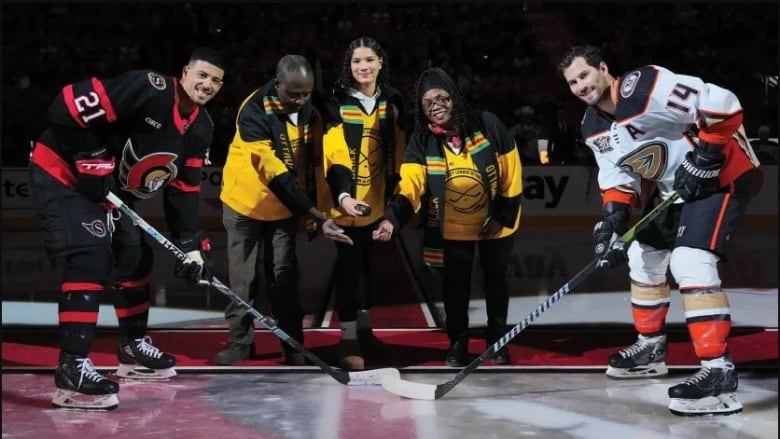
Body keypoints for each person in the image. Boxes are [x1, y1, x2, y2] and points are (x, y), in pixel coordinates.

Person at [558, 45, 759, 416]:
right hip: (673, 191)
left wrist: (706, 156)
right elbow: (618, 175)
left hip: (721, 177)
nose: (581, 85)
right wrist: (613, 222)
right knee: (641, 255)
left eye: (585, 75)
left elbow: (724, 104)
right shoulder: (592, 124)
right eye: (572, 82)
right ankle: (651, 348)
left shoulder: (643, 86)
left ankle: (719, 373)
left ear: (604, 69)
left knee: (690, 262)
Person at [28, 47, 227, 410]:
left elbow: (184, 193)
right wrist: (91, 159)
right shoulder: (148, 88)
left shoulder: (201, 128)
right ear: (184, 72)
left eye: (216, 80)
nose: (208, 84)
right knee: (89, 259)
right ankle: (71, 369)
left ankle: (133, 350)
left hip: (110, 191)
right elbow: (65, 104)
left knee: (135, 259)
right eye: (202, 75)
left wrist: (192, 246)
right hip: (61, 173)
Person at [374, 67, 523, 367]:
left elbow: (512, 170)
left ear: (453, 97)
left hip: (495, 223)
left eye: (441, 98)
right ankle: (458, 342)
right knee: (455, 288)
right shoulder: (421, 140)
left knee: (496, 282)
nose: (436, 106)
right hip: (452, 228)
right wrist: (392, 217)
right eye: (428, 103)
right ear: (423, 110)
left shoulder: (487, 123)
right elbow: (411, 185)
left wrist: (502, 215)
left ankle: (497, 340)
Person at [215, 54, 353, 366]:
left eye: (306, 93)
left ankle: (292, 344)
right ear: (277, 84)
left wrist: (342, 194)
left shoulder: (316, 107)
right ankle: (240, 342)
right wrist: (315, 215)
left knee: (285, 277)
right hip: (246, 204)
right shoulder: (252, 112)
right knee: (242, 278)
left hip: (286, 206)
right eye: (293, 94)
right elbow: (274, 173)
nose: (301, 100)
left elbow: (333, 153)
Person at [319, 37, 406, 370]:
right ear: (349, 66)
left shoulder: (393, 100)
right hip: (346, 203)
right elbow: (334, 152)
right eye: (356, 62)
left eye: (369, 60)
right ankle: (348, 338)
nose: (363, 67)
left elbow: (399, 152)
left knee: (369, 269)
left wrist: (397, 201)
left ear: (380, 62)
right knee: (347, 270)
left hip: (378, 202)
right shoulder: (336, 101)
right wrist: (342, 196)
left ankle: (366, 331)